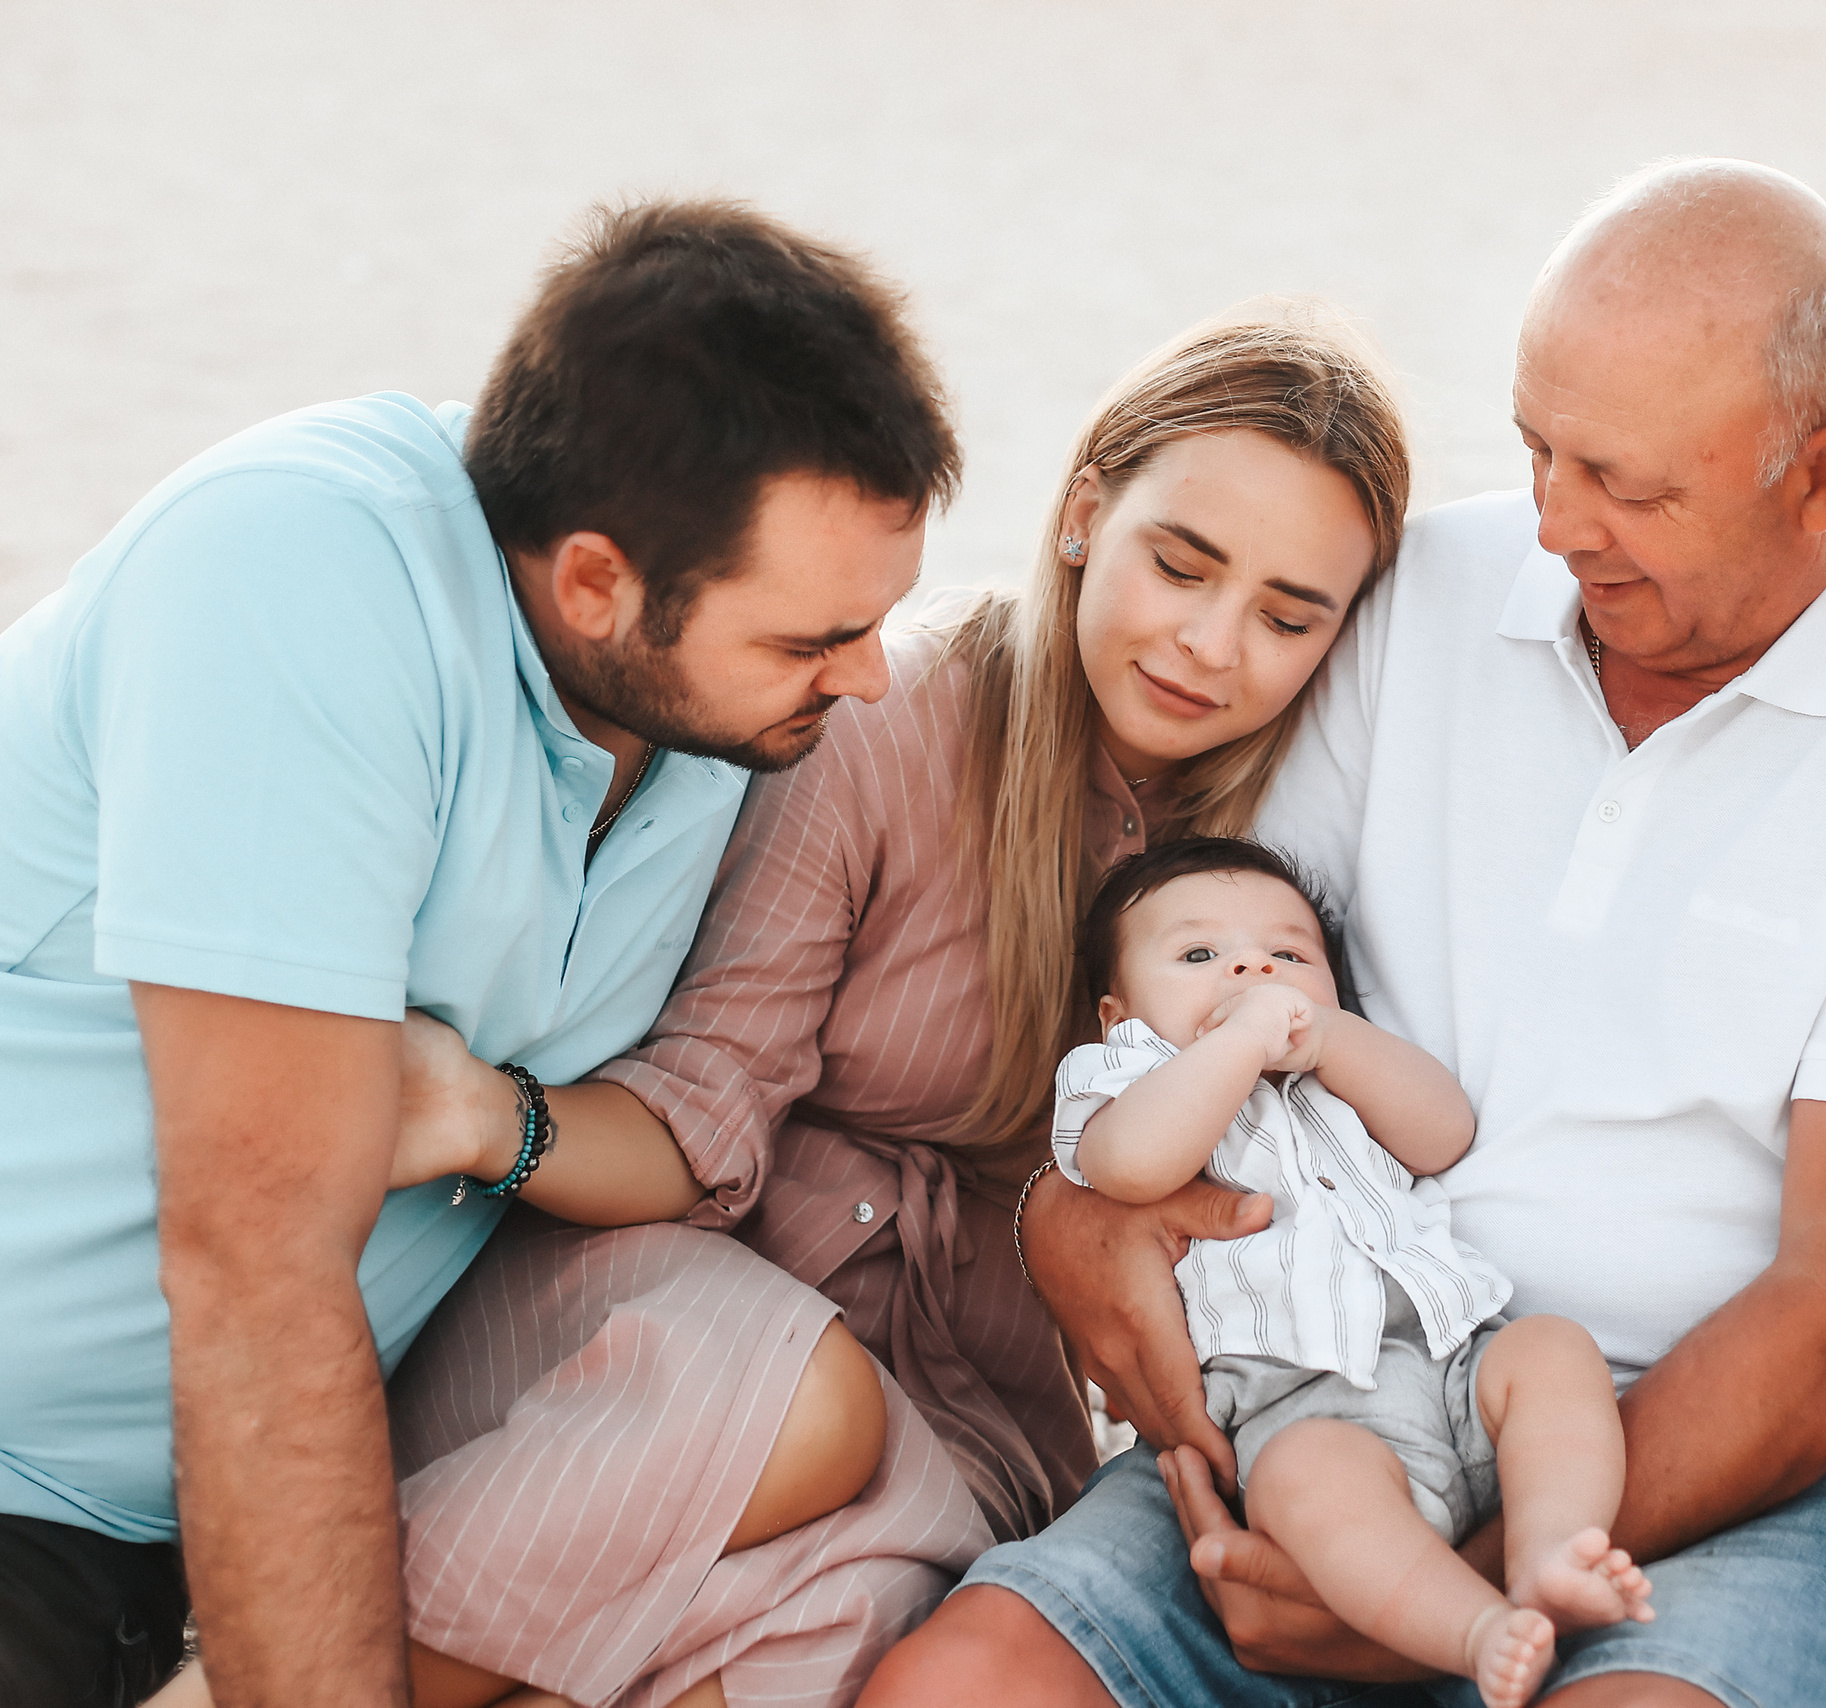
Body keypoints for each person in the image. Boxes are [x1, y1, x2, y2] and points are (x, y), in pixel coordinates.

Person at [866, 158, 1826, 1708]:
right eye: (1538, 448)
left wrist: (1433, 1592)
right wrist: (1078, 1225)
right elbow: (1200, 976)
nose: (1556, 522)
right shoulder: (1442, 589)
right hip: (1341, 1386)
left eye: (1633, 487)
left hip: (1768, 1497)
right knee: (964, 1687)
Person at [364, 305, 1414, 1707]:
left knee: (846, 1624)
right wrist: (493, 1119)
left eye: (1288, 617)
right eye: (1181, 565)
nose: (1211, 646)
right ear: (1085, 511)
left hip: (958, 1398)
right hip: (659, 1325)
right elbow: (697, 1125)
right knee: (794, 1414)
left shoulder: (1276, 853)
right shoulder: (885, 725)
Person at [0, 198, 961, 1708]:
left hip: (364, 1435)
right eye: (808, 641)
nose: (870, 677)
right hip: (34, 1480)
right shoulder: (296, 579)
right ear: (596, 584)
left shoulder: (714, 712)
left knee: (826, 1463)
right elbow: (253, 1263)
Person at [1056, 837, 1653, 1707]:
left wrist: (1330, 1039)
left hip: (1456, 1356)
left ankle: (1555, 1548)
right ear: (1119, 1015)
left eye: (1288, 955)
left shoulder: (1339, 1068)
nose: (1252, 967)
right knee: (1309, 1487)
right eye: (1199, 955)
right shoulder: (1125, 1075)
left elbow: (1443, 1131)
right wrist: (1241, 1040)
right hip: (1303, 1402)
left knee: (1556, 1350)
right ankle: (1477, 1631)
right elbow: (1135, 1166)